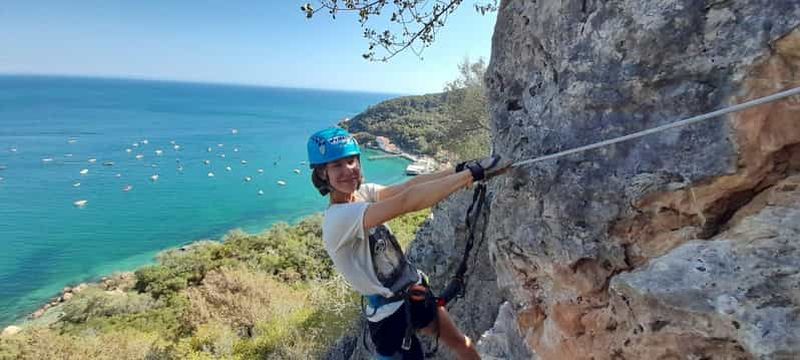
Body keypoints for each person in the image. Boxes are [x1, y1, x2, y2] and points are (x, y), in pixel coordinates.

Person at [307, 127, 506, 359]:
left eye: (351, 161)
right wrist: (469, 176)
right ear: (323, 174)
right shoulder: (338, 220)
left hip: (413, 291)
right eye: (337, 166)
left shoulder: (363, 193)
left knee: (462, 344)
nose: (348, 170)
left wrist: (459, 169)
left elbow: (407, 187)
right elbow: (405, 203)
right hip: (388, 315)